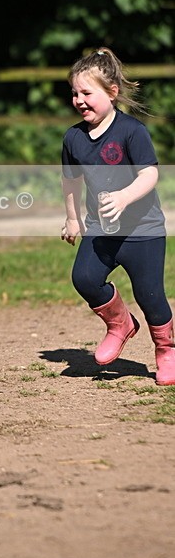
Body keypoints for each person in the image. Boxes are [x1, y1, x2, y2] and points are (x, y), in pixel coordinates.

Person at [60, 47, 175, 385]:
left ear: (112, 92)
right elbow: (70, 180)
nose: (79, 100)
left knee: (150, 296)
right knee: (84, 278)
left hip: (143, 230)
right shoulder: (73, 138)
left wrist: (124, 197)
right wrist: (72, 218)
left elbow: (149, 174)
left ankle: (167, 350)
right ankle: (120, 324)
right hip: (102, 229)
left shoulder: (131, 131)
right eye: (75, 93)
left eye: (87, 93)